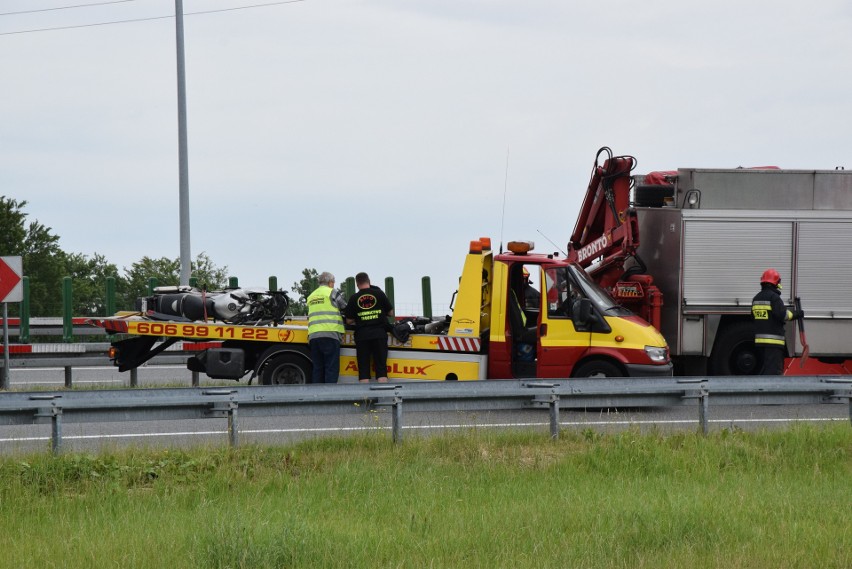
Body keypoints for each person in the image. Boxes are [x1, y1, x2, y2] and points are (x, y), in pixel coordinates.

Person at [751, 268, 803, 375]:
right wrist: (797, 314)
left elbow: (753, 316)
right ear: (776, 283)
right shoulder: (774, 298)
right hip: (774, 342)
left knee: (764, 370)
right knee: (773, 372)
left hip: (760, 343)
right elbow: (783, 315)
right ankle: (772, 391)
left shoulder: (756, 298)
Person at [344, 272, 394, 383]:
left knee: (363, 372)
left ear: (357, 284)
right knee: (381, 371)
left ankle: (366, 400)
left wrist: (360, 316)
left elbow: (348, 320)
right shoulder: (379, 294)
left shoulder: (354, 298)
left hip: (362, 336)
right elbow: (391, 312)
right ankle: (383, 398)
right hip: (379, 334)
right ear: (369, 281)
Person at [306, 272, 347, 383]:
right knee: (331, 368)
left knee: (318, 368)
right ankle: (329, 396)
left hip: (314, 336)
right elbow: (345, 307)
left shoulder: (311, 296)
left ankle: (317, 396)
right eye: (333, 283)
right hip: (330, 333)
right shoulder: (332, 292)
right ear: (330, 282)